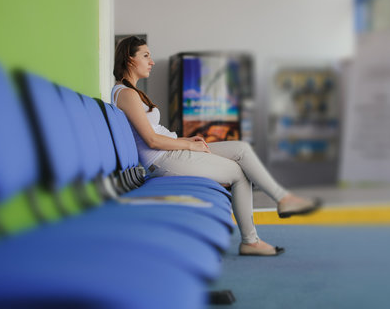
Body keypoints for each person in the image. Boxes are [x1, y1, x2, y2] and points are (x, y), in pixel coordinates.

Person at [111, 36, 322, 256]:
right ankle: (251, 241)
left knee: (241, 149)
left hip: (172, 151)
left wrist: (184, 141)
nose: (151, 62)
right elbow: (151, 140)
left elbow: (154, 134)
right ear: (129, 59)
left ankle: (284, 199)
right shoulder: (126, 94)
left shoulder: (129, 92)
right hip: (163, 159)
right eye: (146, 56)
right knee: (239, 174)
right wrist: (187, 145)